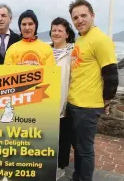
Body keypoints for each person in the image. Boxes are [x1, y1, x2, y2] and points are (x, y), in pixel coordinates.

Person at [67, 0, 119, 181]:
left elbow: (111, 74)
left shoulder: (100, 40)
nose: (79, 20)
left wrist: (105, 101)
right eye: (75, 17)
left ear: (92, 15)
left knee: (85, 150)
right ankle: (77, 176)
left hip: (88, 106)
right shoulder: (81, 39)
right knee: (77, 147)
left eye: (83, 15)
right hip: (74, 102)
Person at [49, 17, 75, 179]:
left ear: (66, 34)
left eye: (60, 30)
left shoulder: (73, 52)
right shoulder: (44, 50)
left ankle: (59, 166)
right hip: (46, 101)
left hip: (66, 100)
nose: (56, 33)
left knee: (63, 137)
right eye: (54, 30)